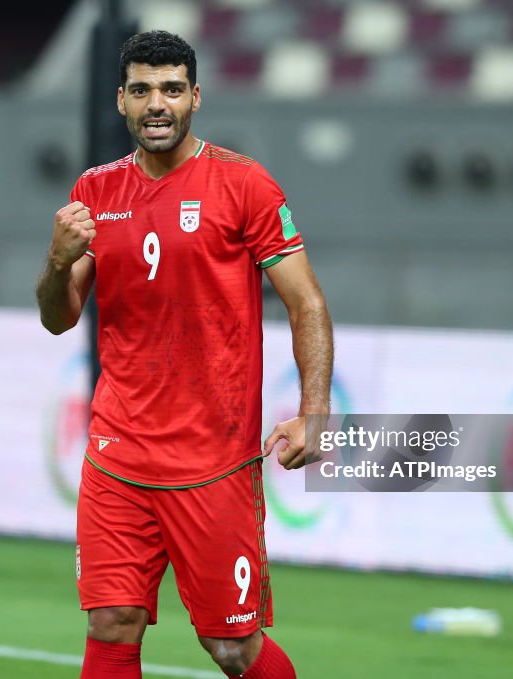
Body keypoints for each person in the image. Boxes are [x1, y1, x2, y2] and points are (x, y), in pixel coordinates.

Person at [36, 30, 333, 679]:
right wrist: (57, 262)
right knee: (111, 621)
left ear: (195, 97)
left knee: (232, 647)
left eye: (171, 89)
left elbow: (306, 301)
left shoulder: (244, 184)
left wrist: (315, 410)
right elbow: (59, 318)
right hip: (118, 453)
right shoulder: (96, 191)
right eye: (141, 90)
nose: (157, 104)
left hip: (212, 461)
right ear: (120, 101)